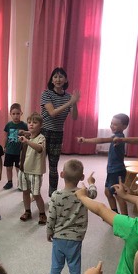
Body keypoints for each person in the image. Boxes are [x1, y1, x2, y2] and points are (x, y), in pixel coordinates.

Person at [47, 159, 97, 274]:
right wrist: (91, 183)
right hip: (76, 238)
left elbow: (51, 216)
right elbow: (94, 194)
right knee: (74, 263)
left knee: (56, 263)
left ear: (62, 174)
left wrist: (49, 231)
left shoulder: (56, 195)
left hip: (59, 237)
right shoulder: (83, 193)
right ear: (81, 177)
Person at [77, 113, 129, 215]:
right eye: (111, 123)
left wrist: (86, 140)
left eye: (115, 124)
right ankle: (114, 213)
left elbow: (101, 140)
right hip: (112, 170)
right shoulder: (116, 136)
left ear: (124, 126)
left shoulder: (118, 138)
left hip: (116, 171)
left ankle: (125, 217)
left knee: (118, 194)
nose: (112, 126)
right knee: (108, 192)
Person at [40, 67, 80, 196]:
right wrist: (70, 102)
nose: (58, 79)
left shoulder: (69, 97)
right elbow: (52, 113)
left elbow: (74, 117)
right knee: (38, 166)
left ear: (65, 80)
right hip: (43, 133)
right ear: (52, 80)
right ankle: (34, 192)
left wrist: (74, 103)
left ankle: (52, 195)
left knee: (53, 167)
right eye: (55, 76)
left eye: (61, 76)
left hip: (57, 134)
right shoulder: (46, 94)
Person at [19, 112, 47, 225]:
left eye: (35, 122)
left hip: (35, 171)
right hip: (23, 170)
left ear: (40, 125)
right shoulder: (27, 136)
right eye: (29, 122)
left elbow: (39, 149)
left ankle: (42, 213)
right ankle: (27, 211)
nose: (31, 124)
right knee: (25, 192)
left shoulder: (41, 138)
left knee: (36, 194)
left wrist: (27, 141)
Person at [2, 103, 28, 190]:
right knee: (8, 167)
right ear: (10, 114)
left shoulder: (24, 125)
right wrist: (4, 146)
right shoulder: (8, 125)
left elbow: (28, 136)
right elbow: (5, 136)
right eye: (13, 114)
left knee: (18, 168)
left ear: (21, 113)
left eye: (18, 113)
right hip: (9, 150)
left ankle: (20, 183)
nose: (16, 116)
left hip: (19, 152)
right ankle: (9, 182)